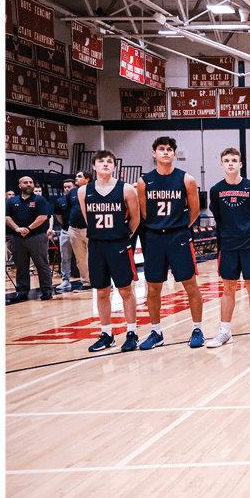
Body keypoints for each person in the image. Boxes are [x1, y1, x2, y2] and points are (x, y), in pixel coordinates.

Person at [136, 136, 205, 350]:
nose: (165, 152)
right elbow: (144, 213)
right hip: (154, 238)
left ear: (174, 154)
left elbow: (194, 211)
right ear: (154, 153)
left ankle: (197, 329)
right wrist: (158, 226)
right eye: (161, 149)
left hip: (178, 236)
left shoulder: (187, 179)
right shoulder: (144, 181)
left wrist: (179, 227)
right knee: (153, 287)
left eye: (169, 149)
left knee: (189, 284)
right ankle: (156, 332)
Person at [78, 151, 142, 352]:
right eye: (100, 161)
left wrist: (122, 237)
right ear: (94, 167)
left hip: (119, 244)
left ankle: (132, 332)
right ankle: (106, 334)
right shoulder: (83, 191)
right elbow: (88, 219)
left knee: (125, 289)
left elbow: (135, 219)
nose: (105, 164)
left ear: (114, 167)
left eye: (109, 162)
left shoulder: (126, 190)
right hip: (97, 245)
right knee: (102, 291)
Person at [207, 148, 250, 347]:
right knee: (228, 289)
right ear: (222, 165)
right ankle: (224, 331)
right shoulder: (216, 190)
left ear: (240, 164)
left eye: (234, 160)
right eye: (227, 160)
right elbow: (217, 215)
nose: (231, 163)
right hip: (228, 245)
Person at [5, 175, 55, 302]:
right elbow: (6, 217)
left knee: (42, 265)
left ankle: (47, 290)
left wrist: (28, 228)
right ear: (19, 185)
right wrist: (17, 228)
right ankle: (22, 291)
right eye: (25, 182)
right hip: (17, 238)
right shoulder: (11, 201)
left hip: (36, 236)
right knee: (21, 266)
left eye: (31, 182)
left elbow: (43, 217)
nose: (29, 184)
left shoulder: (40, 200)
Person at [66, 170, 92, 290]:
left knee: (96, 257)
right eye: (76, 176)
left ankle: (103, 281)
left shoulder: (94, 190)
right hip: (74, 229)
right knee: (80, 258)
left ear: (87, 179)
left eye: (79, 176)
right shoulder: (72, 192)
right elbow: (68, 209)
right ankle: (86, 282)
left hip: (91, 229)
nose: (76, 178)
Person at [53, 179, 78, 292]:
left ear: (74, 187)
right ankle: (65, 280)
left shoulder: (79, 198)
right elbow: (59, 217)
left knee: (82, 257)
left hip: (79, 231)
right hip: (65, 231)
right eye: (65, 187)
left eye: (69, 186)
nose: (67, 189)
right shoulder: (60, 201)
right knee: (65, 257)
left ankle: (87, 279)